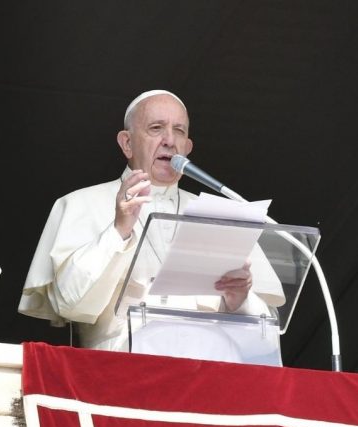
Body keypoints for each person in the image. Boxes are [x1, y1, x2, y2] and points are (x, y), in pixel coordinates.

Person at [19, 90, 282, 352]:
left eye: (179, 130)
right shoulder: (79, 203)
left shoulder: (220, 215)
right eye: (156, 128)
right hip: (122, 369)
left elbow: (267, 339)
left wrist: (240, 300)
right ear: (127, 143)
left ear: (188, 147)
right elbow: (70, 304)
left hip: (211, 369)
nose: (169, 140)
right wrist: (118, 230)